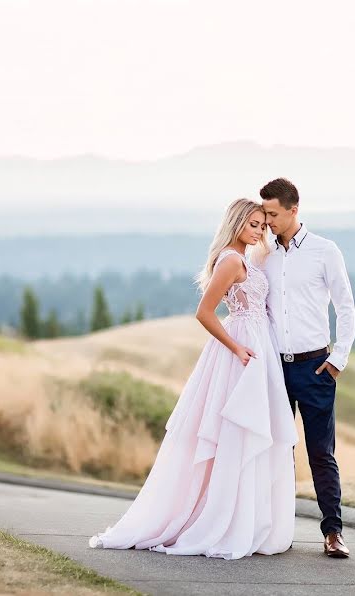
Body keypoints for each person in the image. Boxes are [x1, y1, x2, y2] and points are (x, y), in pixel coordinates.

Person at [88, 198, 298, 560]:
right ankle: (222, 522)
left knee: (250, 433)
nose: (259, 230)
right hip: (242, 351)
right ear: (236, 224)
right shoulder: (231, 260)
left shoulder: (245, 258)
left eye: (263, 225)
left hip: (258, 346)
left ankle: (245, 520)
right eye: (253, 224)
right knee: (236, 431)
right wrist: (236, 348)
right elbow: (204, 312)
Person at [260, 178, 355, 558]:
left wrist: (338, 360)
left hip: (315, 367)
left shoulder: (324, 251)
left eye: (273, 213)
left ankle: (333, 532)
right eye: (264, 213)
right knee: (277, 450)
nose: (267, 221)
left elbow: (345, 306)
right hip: (273, 369)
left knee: (320, 452)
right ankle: (272, 530)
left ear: (293, 209)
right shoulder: (263, 254)